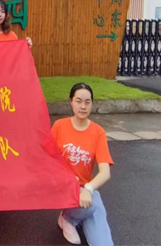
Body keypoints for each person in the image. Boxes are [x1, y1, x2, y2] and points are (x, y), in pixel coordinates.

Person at [52, 83, 114, 246]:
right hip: (63, 186)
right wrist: (65, 178)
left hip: (85, 191)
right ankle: (67, 218)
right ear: (71, 102)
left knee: (103, 243)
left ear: (92, 104)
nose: (83, 106)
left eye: (87, 102)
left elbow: (105, 172)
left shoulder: (98, 132)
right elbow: (47, 159)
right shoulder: (59, 126)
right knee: (91, 205)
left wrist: (88, 189)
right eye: (78, 101)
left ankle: (79, 215)